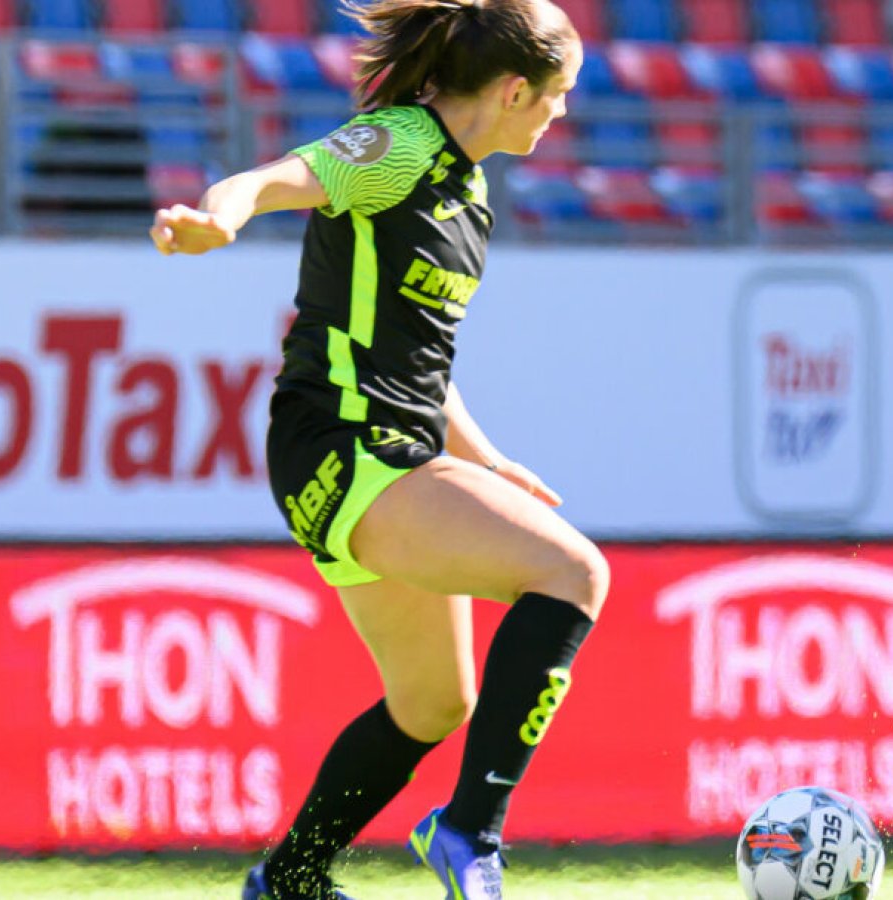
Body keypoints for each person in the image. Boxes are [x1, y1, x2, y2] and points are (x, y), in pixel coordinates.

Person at [149, 2, 599, 898]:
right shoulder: (397, 145)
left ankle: (290, 879)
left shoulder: (466, 190)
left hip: (386, 448)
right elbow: (278, 177)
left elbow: (421, 356)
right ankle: (472, 832)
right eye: (557, 96)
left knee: (435, 702)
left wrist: (487, 457)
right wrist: (219, 218)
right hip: (346, 448)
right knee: (575, 575)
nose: (558, 115)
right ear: (514, 90)